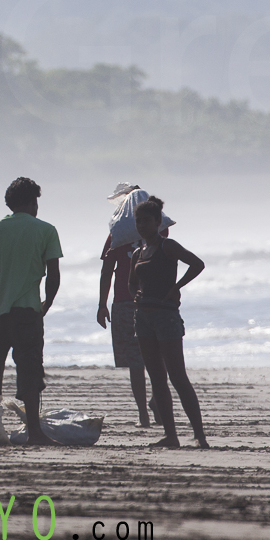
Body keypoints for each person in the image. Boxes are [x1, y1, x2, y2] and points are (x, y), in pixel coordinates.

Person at [0, 176, 63, 446]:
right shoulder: (45, 230)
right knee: (30, 371)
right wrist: (48, 301)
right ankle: (34, 432)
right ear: (33, 202)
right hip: (27, 311)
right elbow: (53, 274)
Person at [129, 196, 209, 448]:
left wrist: (177, 286)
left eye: (146, 221)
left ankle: (199, 435)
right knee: (157, 379)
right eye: (138, 221)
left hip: (166, 317)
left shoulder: (168, 246)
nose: (142, 225)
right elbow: (132, 284)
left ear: (158, 222)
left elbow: (197, 264)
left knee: (177, 376)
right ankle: (171, 436)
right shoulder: (137, 253)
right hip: (143, 318)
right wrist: (136, 295)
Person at [97, 182, 168, 428]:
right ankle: (150, 407)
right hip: (151, 302)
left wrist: (102, 304)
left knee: (139, 363)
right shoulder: (159, 232)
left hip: (129, 303)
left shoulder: (117, 235)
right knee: (157, 357)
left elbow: (107, 271)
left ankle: (145, 413)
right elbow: (107, 269)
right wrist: (102, 304)